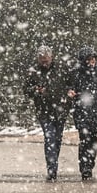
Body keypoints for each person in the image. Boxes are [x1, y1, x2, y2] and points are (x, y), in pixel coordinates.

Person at [23, 45, 71, 181]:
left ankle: (53, 164)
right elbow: (26, 90)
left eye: (46, 59)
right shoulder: (33, 72)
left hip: (61, 110)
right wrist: (35, 90)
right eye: (42, 59)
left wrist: (69, 94)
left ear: (51, 57)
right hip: (44, 111)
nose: (44, 62)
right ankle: (52, 170)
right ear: (38, 59)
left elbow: (71, 84)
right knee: (50, 138)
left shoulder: (62, 69)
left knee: (57, 140)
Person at [67, 46, 97, 180]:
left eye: (93, 58)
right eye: (89, 59)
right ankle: (85, 168)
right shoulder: (76, 72)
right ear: (83, 61)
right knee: (84, 139)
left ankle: (89, 165)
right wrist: (72, 93)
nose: (92, 61)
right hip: (82, 111)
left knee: (93, 140)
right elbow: (70, 88)